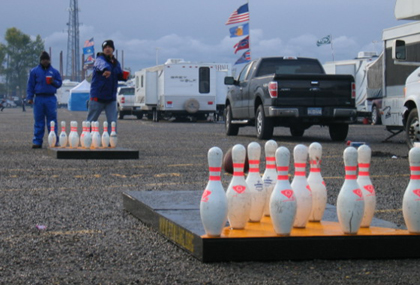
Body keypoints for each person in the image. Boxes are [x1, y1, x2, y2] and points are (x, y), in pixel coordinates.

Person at [87, 39, 127, 133]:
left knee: (112, 123)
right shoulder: (99, 59)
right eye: (105, 47)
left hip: (111, 99)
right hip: (97, 97)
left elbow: (118, 74)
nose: (107, 49)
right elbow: (101, 65)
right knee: (91, 121)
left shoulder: (116, 63)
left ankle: (111, 142)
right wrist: (106, 69)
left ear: (113, 49)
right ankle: (86, 140)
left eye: (109, 47)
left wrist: (124, 76)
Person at [26, 51, 62, 148]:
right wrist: (29, 97)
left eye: (46, 59)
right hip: (39, 98)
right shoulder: (34, 71)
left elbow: (59, 84)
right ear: (41, 60)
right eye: (43, 60)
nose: (45, 61)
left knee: (52, 121)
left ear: (49, 60)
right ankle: (37, 141)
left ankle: (54, 141)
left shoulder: (54, 72)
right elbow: (30, 85)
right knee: (38, 120)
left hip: (50, 97)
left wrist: (53, 81)